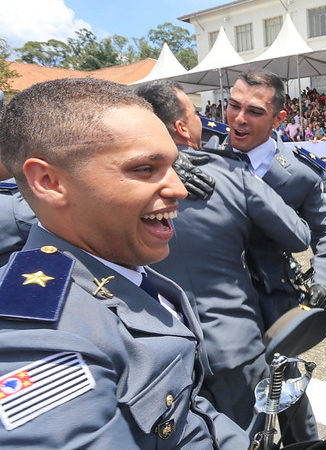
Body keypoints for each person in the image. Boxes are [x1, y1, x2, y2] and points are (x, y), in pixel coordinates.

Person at [0, 78, 248, 448]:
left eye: (172, 165)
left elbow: (184, 410)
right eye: (145, 169)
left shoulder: (119, 263)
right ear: (49, 181)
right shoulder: (38, 338)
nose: (179, 189)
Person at [134, 80, 312, 432]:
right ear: (183, 127)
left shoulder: (117, 183)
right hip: (234, 347)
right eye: (196, 114)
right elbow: (298, 235)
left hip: (163, 355)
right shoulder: (229, 173)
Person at [226, 70, 326, 443]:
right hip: (217, 297)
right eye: (233, 106)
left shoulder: (301, 174)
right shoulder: (202, 158)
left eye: (254, 111)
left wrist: (322, 279)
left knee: (286, 391)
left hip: (275, 299)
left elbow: (323, 231)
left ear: (278, 119)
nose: (239, 119)